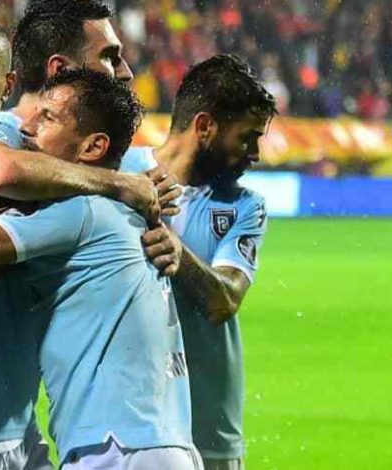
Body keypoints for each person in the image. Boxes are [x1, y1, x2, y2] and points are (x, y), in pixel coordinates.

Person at [0, 68, 201, 470]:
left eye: (47, 118)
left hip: (117, 448)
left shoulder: (82, 211)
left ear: (93, 147)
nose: (26, 128)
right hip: (160, 443)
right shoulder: (119, 209)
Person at [135, 54, 277, 470]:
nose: (255, 154)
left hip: (208, 431)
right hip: (127, 429)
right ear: (204, 127)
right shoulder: (120, 176)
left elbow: (224, 300)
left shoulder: (245, 206)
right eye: (247, 138)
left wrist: (178, 254)